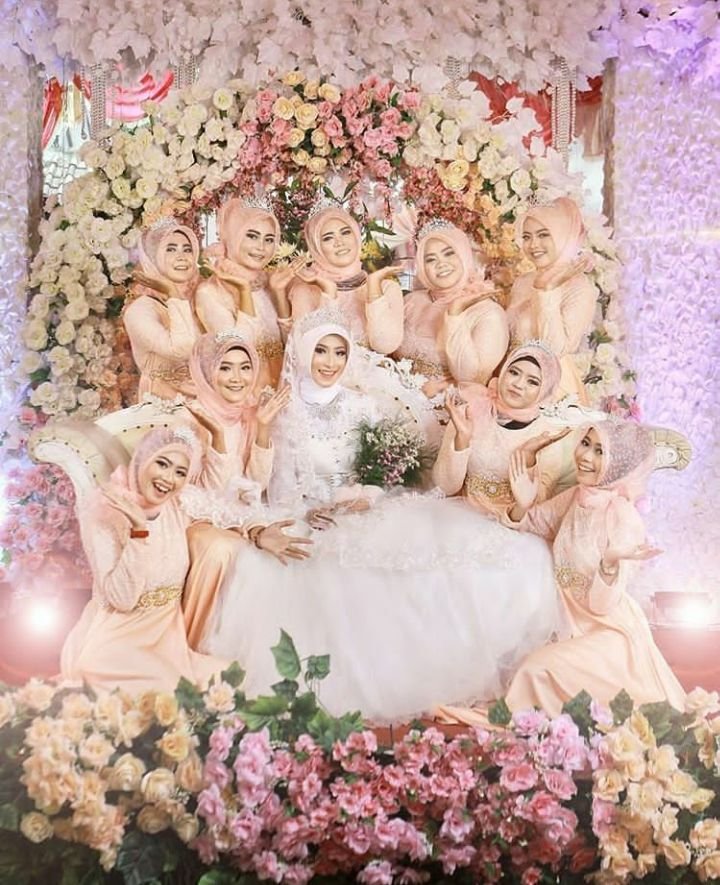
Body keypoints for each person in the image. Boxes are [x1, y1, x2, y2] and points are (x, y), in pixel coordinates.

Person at [201, 309, 562, 723]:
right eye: (321, 350)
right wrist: (268, 437)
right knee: (328, 577)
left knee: (421, 571)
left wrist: (364, 495)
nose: (330, 362)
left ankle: (426, 675)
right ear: (302, 351)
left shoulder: (361, 406)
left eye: (340, 352)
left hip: (365, 510)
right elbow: (271, 489)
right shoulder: (279, 408)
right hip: (308, 514)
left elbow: (380, 475)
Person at [60, 427, 311, 694]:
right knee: (168, 695)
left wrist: (259, 533)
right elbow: (122, 599)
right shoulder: (107, 512)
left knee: (236, 680)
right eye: (162, 463)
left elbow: (228, 511)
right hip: (118, 641)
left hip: (168, 643)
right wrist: (138, 533)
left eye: (180, 472)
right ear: (142, 460)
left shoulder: (179, 504)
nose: (168, 478)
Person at [502, 419, 685, 715]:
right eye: (586, 444)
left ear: (619, 465)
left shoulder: (624, 519)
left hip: (607, 632)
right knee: (515, 666)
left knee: (535, 670)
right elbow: (533, 523)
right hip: (567, 620)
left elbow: (602, 606)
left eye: (600, 451)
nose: (585, 456)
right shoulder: (578, 495)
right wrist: (522, 503)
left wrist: (608, 563)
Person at [181, 331, 290, 648]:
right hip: (193, 518)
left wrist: (263, 429)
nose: (237, 378)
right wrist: (217, 439)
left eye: (245, 367)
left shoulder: (249, 414)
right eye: (225, 367)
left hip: (235, 515)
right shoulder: (187, 417)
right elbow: (213, 492)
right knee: (225, 549)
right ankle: (196, 644)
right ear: (206, 371)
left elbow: (255, 485)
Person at [432, 342, 576, 518]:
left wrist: (529, 457)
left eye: (532, 382)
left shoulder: (546, 434)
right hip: (458, 514)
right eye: (513, 372)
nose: (518, 384)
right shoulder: (470, 411)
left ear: (546, 390)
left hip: (507, 526)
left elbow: (534, 515)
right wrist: (462, 438)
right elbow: (444, 487)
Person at [396, 221, 508, 394]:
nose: (441, 263)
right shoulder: (412, 300)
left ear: (464, 255)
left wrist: (454, 315)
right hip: (396, 397)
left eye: (449, 253)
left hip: (450, 405)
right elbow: (386, 350)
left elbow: (472, 379)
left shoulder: (488, 312)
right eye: (430, 259)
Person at [506, 197, 597, 403]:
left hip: (552, 390)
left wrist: (548, 290)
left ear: (562, 235)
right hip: (513, 383)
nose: (533, 244)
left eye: (543, 235)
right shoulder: (523, 282)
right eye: (527, 237)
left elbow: (553, 350)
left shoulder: (580, 287)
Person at [283, 206, 403, 353]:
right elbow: (308, 351)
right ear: (316, 248)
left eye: (345, 232)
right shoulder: (305, 291)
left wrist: (373, 290)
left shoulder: (386, 287)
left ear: (357, 236)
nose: (339, 242)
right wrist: (329, 291)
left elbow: (385, 345)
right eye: (328, 238)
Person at [194, 199, 287, 387]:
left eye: (269, 239)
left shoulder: (267, 283)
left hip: (281, 390)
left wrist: (279, 293)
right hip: (243, 394)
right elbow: (237, 348)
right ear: (232, 236)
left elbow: (289, 347)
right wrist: (244, 290)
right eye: (252, 236)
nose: (261, 247)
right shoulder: (210, 292)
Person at [123, 222, 203, 401]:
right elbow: (182, 348)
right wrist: (172, 291)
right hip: (163, 404)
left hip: (201, 401)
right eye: (171, 249)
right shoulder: (139, 311)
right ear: (154, 257)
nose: (182, 257)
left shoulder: (194, 302)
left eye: (187, 249)